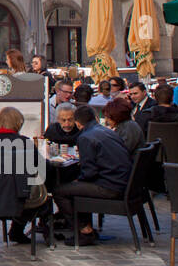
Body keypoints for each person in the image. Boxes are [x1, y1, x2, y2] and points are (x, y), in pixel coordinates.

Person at [52, 105, 132, 246]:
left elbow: (89, 173)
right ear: (95, 118)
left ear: (77, 123)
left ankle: (83, 230)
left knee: (60, 191)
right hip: (122, 182)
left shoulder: (86, 137)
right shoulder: (106, 131)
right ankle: (85, 226)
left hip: (110, 186)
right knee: (75, 186)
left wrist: (77, 180)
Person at [0, 106, 47, 244]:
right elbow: (41, 166)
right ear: (18, 123)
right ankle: (39, 230)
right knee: (44, 196)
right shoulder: (23, 143)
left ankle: (16, 231)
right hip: (20, 199)